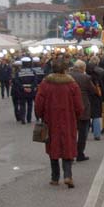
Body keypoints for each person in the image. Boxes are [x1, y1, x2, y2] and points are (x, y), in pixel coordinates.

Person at [35, 58, 84, 188]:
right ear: (65, 69)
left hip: (50, 119)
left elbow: (39, 102)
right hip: (68, 119)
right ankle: (68, 175)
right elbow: (79, 105)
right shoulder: (72, 85)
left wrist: (39, 114)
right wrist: (77, 115)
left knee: (53, 146)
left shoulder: (46, 84)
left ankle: (55, 177)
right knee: (67, 145)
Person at [71, 60, 97, 161]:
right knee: (83, 132)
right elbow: (93, 90)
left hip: (71, 106)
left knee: (71, 132)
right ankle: (80, 153)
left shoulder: (68, 76)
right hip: (83, 106)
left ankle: (71, 152)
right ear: (83, 68)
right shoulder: (86, 77)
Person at [15, 57, 37, 124]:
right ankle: (29, 119)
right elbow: (35, 81)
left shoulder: (19, 72)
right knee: (30, 104)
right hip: (30, 91)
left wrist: (23, 88)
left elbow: (17, 81)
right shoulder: (33, 71)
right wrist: (31, 88)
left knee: (22, 105)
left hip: (22, 91)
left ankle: (23, 119)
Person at [86, 62, 104, 140]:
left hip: (87, 98)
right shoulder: (97, 77)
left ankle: (84, 134)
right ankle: (97, 134)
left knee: (86, 117)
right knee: (96, 117)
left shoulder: (85, 77)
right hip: (96, 98)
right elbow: (102, 88)